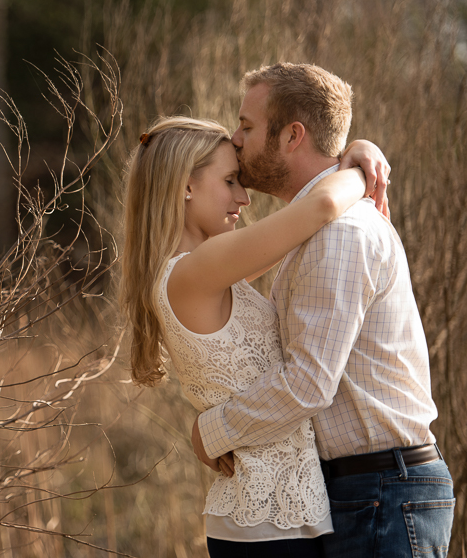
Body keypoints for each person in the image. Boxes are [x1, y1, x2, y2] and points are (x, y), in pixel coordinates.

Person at [191, 63, 455, 557]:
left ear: (293, 135)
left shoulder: (340, 234)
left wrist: (213, 432)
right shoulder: (312, 230)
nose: (236, 137)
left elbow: (308, 381)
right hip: (364, 492)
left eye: (247, 125)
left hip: (383, 492)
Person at [121, 115, 387, 557]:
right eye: (230, 181)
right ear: (186, 186)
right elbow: (320, 207)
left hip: (271, 519)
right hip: (265, 526)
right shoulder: (198, 269)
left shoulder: (205, 269)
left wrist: (354, 151)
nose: (244, 197)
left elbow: (305, 223)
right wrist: (362, 165)